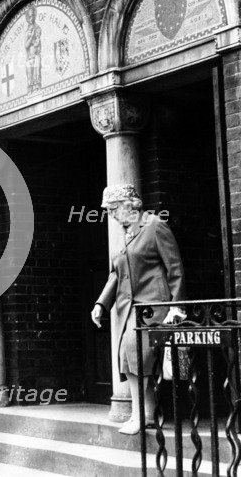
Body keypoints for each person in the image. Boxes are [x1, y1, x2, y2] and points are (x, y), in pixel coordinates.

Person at [90, 184, 186, 435]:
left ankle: (140, 415)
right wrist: (102, 303)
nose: (111, 215)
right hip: (129, 308)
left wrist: (177, 306)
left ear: (130, 205)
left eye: (113, 209)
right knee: (129, 359)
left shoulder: (154, 226)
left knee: (136, 355)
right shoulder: (126, 232)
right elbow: (116, 273)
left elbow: (175, 268)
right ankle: (147, 415)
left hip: (154, 305)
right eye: (109, 210)